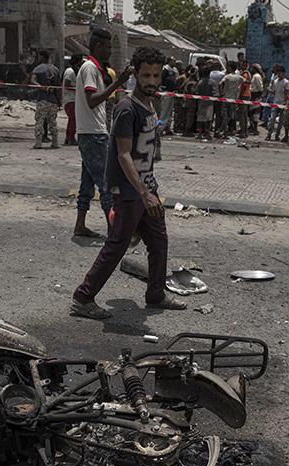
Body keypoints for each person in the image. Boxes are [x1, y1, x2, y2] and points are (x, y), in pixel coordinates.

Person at [71, 46, 185, 320]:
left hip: (146, 188)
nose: (151, 81)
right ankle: (83, 297)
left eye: (156, 75)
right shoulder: (126, 109)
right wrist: (144, 193)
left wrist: (150, 189)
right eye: (146, 75)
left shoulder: (149, 105)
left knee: (158, 241)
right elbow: (123, 155)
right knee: (117, 245)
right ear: (136, 75)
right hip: (130, 192)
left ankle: (155, 294)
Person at [74, 27, 132, 238]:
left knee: (87, 183)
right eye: (107, 47)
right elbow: (92, 101)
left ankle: (80, 225)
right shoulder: (90, 68)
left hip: (92, 131)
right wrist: (118, 83)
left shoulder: (94, 69)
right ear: (98, 46)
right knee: (106, 184)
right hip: (93, 133)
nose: (110, 51)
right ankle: (115, 231)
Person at [30, 50, 60, 149]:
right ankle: (55, 142)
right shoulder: (55, 69)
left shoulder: (38, 69)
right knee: (53, 122)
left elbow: (32, 81)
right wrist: (59, 100)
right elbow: (58, 86)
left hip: (42, 99)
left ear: (42, 57)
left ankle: (38, 142)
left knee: (40, 121)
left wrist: (41, 87)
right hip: (53, 100)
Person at [62, 54, 82, 146]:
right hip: (70, 99)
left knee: (72, 119)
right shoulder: (70, 71)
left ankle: (68, 137)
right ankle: (71, 137)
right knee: (73, 119)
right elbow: (67, 84)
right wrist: (77, 88)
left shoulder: (73, 71)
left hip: (73, 99)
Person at [218, 61, 243, 137]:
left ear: (230, 68)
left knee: (225, 116)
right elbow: (246, 82)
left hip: (225, 98)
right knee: (231, 116)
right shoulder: (239, 77)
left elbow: (220, 84)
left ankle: (222, 130)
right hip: (233, 100)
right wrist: (239, 89)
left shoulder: (227, 76)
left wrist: (221, 93)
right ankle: (225, 130)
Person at [266, 64, 289, 141]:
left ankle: (277, 135)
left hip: (282, 104)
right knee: (272, 119)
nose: (279, 75)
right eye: (278, 73)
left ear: (283, 73)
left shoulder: (286, 82)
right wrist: (270, 90)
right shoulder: (275, 81)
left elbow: (287, 94)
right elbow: (274, 92)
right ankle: (269, 134)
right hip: (275, 103)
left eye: (280, 73)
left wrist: (286, 102)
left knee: (280, 121)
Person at [195, 65, 216, 140]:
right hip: (209, 103)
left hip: (201, 102)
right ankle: (207, 133)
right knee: (208, 118)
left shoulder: (200, 82)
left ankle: (199, 133)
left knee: (200, 117)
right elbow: (214, 93)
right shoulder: (212, 82)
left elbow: (196, 92)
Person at [159, 58, 177, 136]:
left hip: (172, 93)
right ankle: (160, 129)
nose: (175, 62)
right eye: (173, 61)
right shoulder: (165, 69)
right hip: (166, 92)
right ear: (169, 61)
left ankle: (167, 128)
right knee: (164, 112)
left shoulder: (174, 70)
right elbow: (161, 79)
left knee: (169, 113)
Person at [249, 64, 265, 135]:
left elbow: (260, 87)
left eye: (252, 68)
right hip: (253, 95)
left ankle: (255, 128)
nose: (251, 69)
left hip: (256, 95)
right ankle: (252, 126)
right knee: (251, 112)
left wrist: (258, 95)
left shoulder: (257, 76)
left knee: (255, 112)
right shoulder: (254, 76)